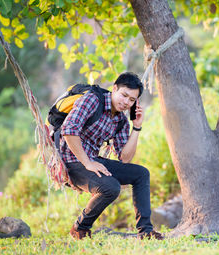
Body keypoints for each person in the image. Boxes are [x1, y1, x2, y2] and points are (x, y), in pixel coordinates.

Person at [60, 72, 163, 240]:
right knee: (111, 187)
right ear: (114, 88)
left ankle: (145, 231)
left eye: (131, 100)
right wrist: (87, 163)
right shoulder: (93, 100)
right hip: (72, 160)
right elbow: (69, 130)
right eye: (124, 95)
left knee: (141, 173)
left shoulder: (121, 120)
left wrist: (136, 127)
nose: (126, 102)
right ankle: (80, 228)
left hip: (92, 160)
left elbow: (124, 158)